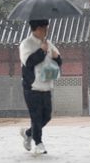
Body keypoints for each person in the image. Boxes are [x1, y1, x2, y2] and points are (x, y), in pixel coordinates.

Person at [19, 19, 62, 155]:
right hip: (32, 87)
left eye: (47, 28)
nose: (46, 31)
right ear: (36, 29)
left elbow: (59, 61)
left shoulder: (49, 43)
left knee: (47, 116)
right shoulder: (26, 44)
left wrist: (56, 57)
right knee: (36, 116)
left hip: (47, 86)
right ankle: (38, 143)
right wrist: (42, 51)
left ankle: (28, 133)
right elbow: (29, 62)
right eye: (44, 28)